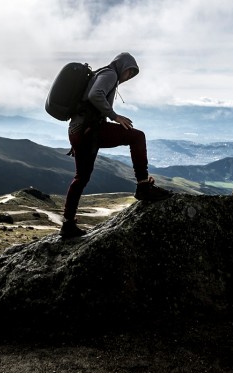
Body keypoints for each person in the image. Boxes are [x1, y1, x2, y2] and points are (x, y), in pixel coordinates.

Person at [61, 52, 171, 238]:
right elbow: (95, 94)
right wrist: (115, 116)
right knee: (137, 137)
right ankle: (144, 185)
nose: (128, 76)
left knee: (81, 178)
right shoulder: (110, 74)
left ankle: (67, 224)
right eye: (129, 71)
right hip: (90, 130)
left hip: (77, 130)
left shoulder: (101, 73)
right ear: (123, 66)